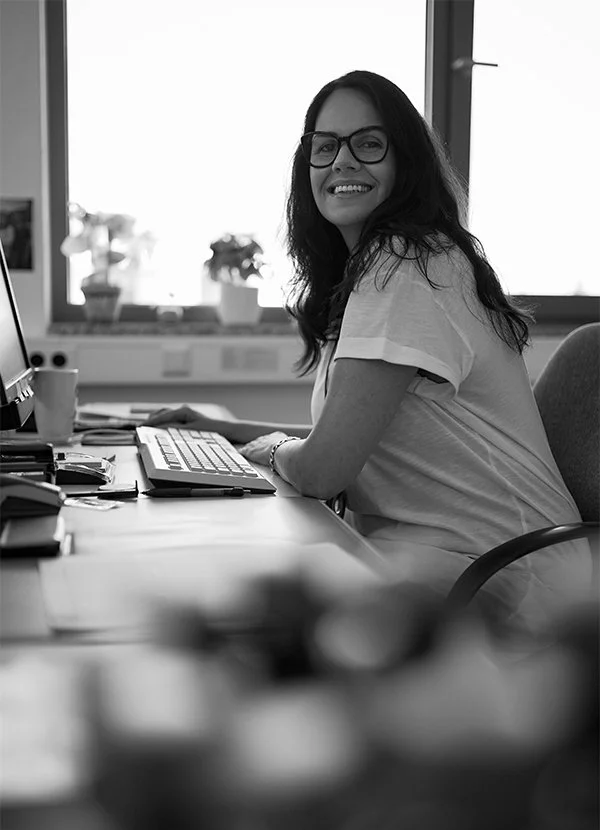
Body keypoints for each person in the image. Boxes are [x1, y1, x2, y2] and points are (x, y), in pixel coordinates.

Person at [147, 70, 591, 626]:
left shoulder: (407, 264)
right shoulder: (378, 270)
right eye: (325, 146)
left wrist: (276, 447)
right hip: (446, 563)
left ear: (404, 162)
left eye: (369, 144)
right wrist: (225, 431)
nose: (342, 161)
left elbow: (322, 471)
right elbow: (346, 437)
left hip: (505, 580)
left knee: (232, 607)